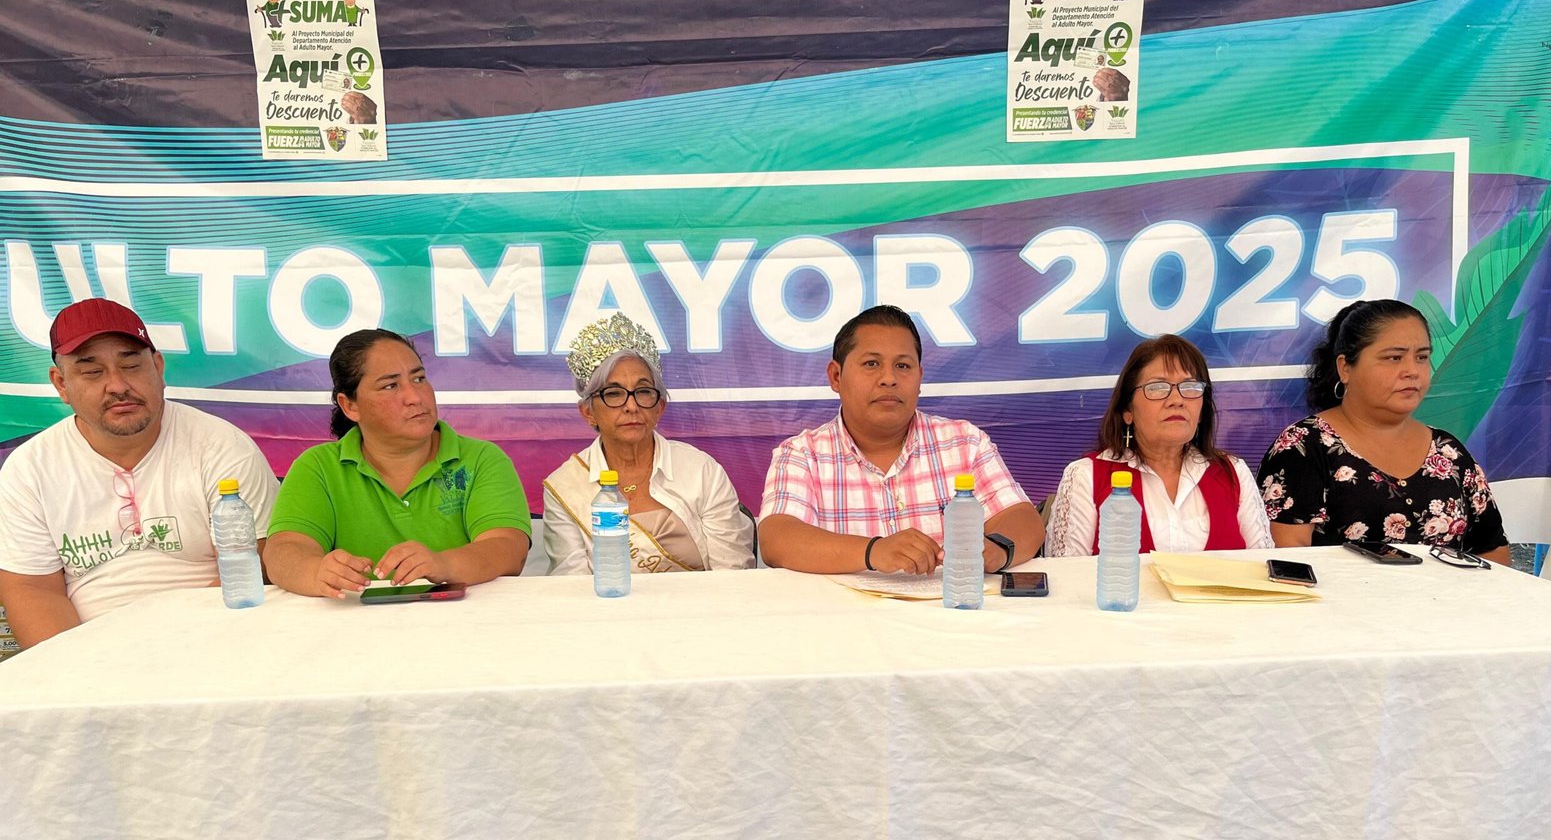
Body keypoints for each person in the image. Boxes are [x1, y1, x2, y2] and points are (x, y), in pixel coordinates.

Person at [0, 299, 279, 650]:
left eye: (131, 365)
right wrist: (78, 668)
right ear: (61, 384)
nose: (117, 385)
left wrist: (173, 648)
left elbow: (254, 564)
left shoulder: (222, 446)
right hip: (88, 655)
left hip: (213, 639)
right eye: (92, 372)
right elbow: (32, 589)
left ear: (158, 368)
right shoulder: (29, 470)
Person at [758, 305, 1044, 575]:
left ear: (920, 377)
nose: (889, 379)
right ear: (836, 376)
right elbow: (777, 538)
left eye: (903, 366)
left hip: (949, 606)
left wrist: (995, 550)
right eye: (871, 363)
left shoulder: (964, 443)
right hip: (842, 610)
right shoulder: (802, 454)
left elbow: (1022, 518)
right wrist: (873, 552)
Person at [264, 329, 531, 596]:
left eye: (419, 378)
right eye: (390, 385)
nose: (415, 397)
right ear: (350, 406)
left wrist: (443, 564)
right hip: (353, 618)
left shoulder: (481, 459)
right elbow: (282, 553)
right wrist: (317, 572)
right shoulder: (318, 467)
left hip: (463, 618)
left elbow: (509, 548)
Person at [1257, 299, 1510, 563]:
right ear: (1345, 367)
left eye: (1422, 357)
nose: (1412, 371)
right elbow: (1288, 561)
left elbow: (1493, 551)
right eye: (1394, 358)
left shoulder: (1449, 452)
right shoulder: (1303, 446)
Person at [543, 313, 754, 577]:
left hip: (702, 603)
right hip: (607, 604)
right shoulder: (565, 486)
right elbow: (572, 585)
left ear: (659, 407)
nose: (631, 406)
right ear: (588, 412)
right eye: (613, 393)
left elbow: (732, 574)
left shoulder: (700, 470)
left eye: (643, 392)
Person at [1044, 334, 1271, 556]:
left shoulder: (1233, 472)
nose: (1177, 400)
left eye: (1190, 387)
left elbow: (1264, 567)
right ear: (1127, 411)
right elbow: (1068, 575)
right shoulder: (1087, 476)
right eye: (1158, 388)